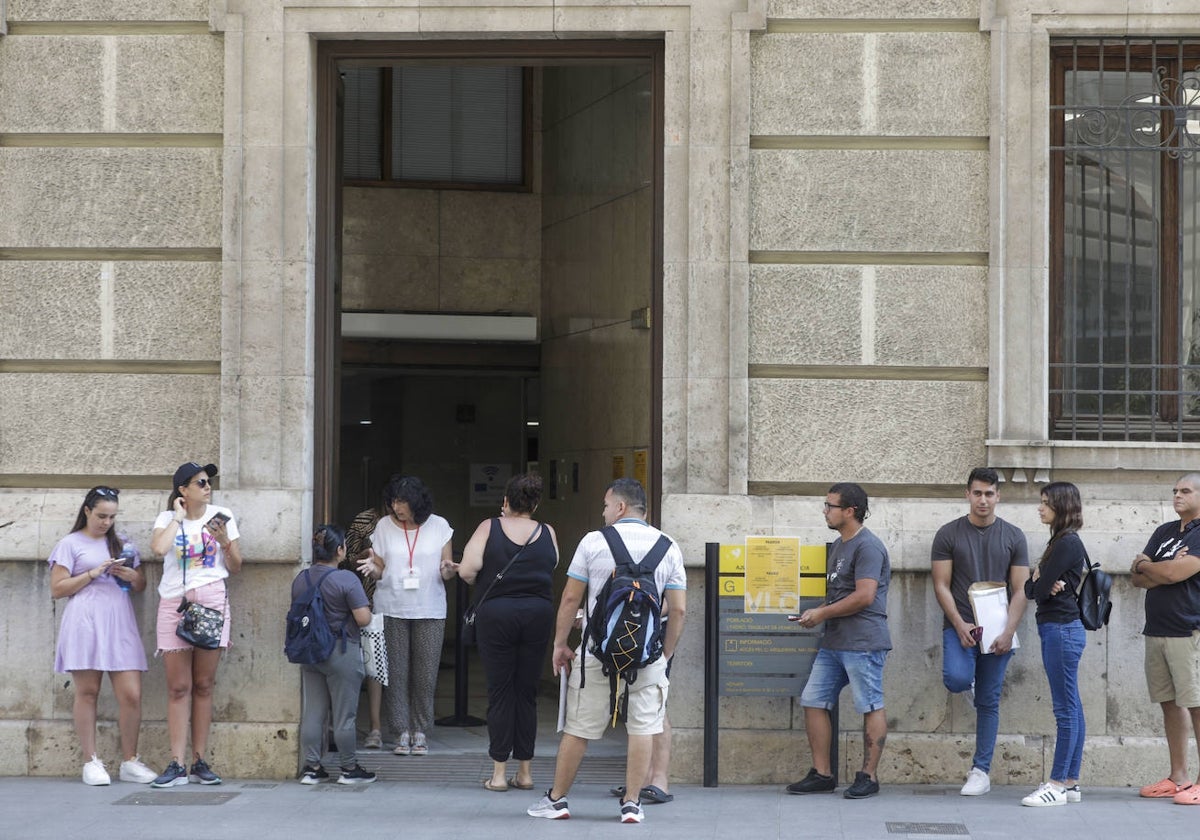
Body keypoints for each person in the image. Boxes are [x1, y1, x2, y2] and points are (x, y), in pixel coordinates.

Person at [527, 478, 687, 824]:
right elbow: (678, 610)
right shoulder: (669, 546)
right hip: (647, 654)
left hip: (596, 652)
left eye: (605, 505)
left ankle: (557, 800)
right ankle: (632, 804)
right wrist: (664, 654)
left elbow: (571, 598)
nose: (603, 512)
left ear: (620, 507)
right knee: (643, 727)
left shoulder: (593, 542)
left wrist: (559, 645)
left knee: (579, 728)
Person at [787, 482, 890, 800]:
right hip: (834, 643)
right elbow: (841, 594)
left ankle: (868, 776)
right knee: (813, 700)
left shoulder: (867, 547)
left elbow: (865, 595)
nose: (825, 510)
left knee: (870, 704)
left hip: (863, 642)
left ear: (850, 511)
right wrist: (816, 614)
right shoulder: (838, 544)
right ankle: (822, 774)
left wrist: (821, 614)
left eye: (830, 506)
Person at [48, 486, 157, 786]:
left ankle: (130, 760)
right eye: (101, 515)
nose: (106, 522)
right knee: (88, 692)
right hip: (84, 621)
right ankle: (90, 760)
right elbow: (57, 589)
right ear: (87, 511)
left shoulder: (122, 545)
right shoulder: (70, 544)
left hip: (119, 621)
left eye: (112, 517)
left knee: (131, 694)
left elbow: (140, 586)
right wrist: (91, 574)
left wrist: (133, 576)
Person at [931, 467, 1030, 796]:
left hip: (999, 631)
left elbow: (1021, 589)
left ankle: (981, 770)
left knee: (988, 701)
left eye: (989, 494)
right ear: (967, 495)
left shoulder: (1014, 536)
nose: (983, 500)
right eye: (977, 493)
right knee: (957, 679)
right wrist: (960, 624)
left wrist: (1009, 630)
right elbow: (940, 585)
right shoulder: (948, 534)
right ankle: (972, 678)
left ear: (998, 496)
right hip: (960, 626)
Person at [459, 472, 559, 792]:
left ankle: (499, 774)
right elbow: (551, 565)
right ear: (536, 503)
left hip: (497, 616)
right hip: (538, 615)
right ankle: (526, 772)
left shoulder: (489, 527)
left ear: (505, 501)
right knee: (525, 693)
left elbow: (467, 571)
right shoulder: (548, 532)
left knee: (500, 691)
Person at [148, 462, 242, 788]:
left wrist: (225, 540)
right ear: (183, 490)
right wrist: (177, 516)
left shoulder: (221, 514)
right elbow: (159, 548)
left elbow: (237, 564)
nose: (207, 486)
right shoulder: (166, 520)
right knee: (178, 687)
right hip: (175, 602)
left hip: (212, 602)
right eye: (200, 482)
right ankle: (176, 763)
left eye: (208, 481)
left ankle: (199, 760)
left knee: (203, 684)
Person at [357, 475, 456, 756]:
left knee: (425, 675)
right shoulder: (384, 526)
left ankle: (420, 731)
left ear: (417, 503)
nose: (396, 507)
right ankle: (401, 731)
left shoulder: (439, 526)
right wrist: (371, 569)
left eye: (402, 502)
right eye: (393, 501)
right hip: (392, 605)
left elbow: (444, 570)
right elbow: (379, 569)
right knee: (396, 674)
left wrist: (449, 569)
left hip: (430, 607)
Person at [1130, 473, 1200, 805]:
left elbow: (1173, 574)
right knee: (1169, 704)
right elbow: (1136, 578)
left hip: (1190, 630)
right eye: (1175, 491)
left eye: (1185, 491)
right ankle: (1179, 777)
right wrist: (1159, 567)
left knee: (1197, 705)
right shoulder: (1164, 532)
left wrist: (1154, 567)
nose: (1177, 496)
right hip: (1157, 628)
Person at [1020, 481, 1087, 807]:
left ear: (1061, 506)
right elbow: (1032, 589)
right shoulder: (1060, 542)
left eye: (1045, 502)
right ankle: (1071, 783)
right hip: (1061, 629)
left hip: (1061, 629)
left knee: (1065, 709)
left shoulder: (1065, 544)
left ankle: (1058, 783)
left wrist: (1039, 581)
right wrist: (1038, 583)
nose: (1040, 507)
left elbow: (1036, 590)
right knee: (1072, 704)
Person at [294, 525, 376, 785]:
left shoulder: (301, 579)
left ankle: (311, 767)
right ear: (340, 550)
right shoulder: (346, 579)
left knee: (314, 712)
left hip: (309, 652)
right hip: (341, 651)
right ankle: (349, 768)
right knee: (345, 715)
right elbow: (363, 619)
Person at [342, 502, 384, 749]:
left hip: (403, 598)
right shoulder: (366, 518)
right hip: (368, 598)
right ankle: (375, 727)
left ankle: (408, 728)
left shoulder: (414, 521)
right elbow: (347, 556)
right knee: (372, 664)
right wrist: (365, 556)